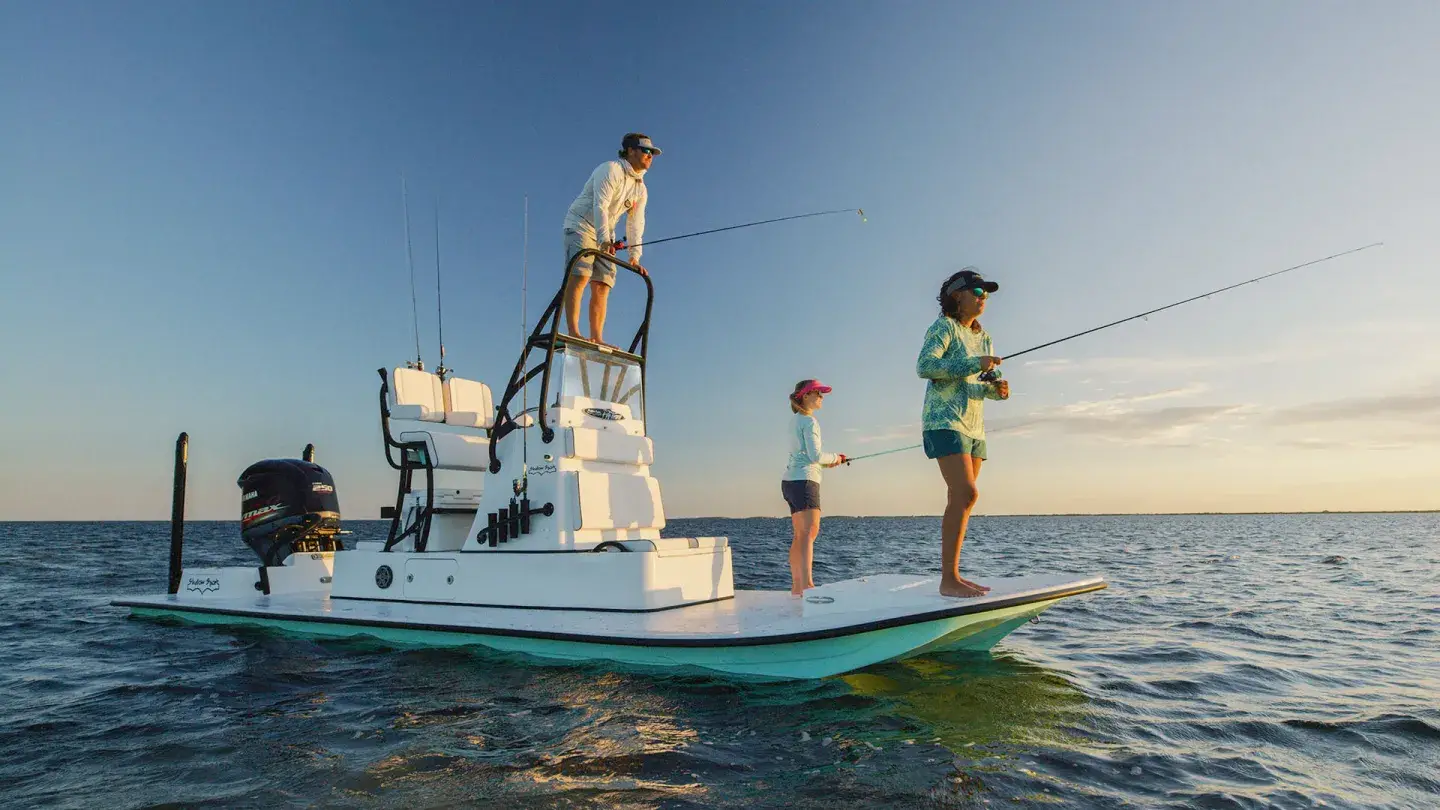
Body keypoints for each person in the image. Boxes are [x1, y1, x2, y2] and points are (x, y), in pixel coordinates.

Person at [915, 267, 1011, 598]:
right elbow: (925, 367)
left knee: (963, 499)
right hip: (943, 420)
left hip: (974, 425)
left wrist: (996, 388)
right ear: (958, 295)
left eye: (987, 294)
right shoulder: (943, 327)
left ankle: (953, 576)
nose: (984, 298)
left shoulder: (984, 338)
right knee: (967, 493)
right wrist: (974, 364)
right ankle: (948, 579)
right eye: (979, 292)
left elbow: (981, 383)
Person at [561, 132, 660, 345]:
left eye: (652, 153)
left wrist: (635, 256)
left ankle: (597, 337)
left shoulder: (641, 189)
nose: (650, 156)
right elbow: (601, 205)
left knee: (604, 283)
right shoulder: (611, 169)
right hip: (581, 225)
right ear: (630, 151)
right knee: (581, 275)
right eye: (646, 151)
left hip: (606, 232)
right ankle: (573, 332)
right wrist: (604, 240)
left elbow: (636, 223)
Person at [782, 379, 847, 595]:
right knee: (809, 533)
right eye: (817, 393)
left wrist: (829, 463)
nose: (821, 397)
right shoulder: (810, 422)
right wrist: (836, 457)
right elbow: (815, 456)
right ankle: (807, 586)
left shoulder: (795, 421)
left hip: (791, 481)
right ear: (806, 396)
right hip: (805, 481)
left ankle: (797, 587)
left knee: (800, 535)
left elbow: (805, 456)